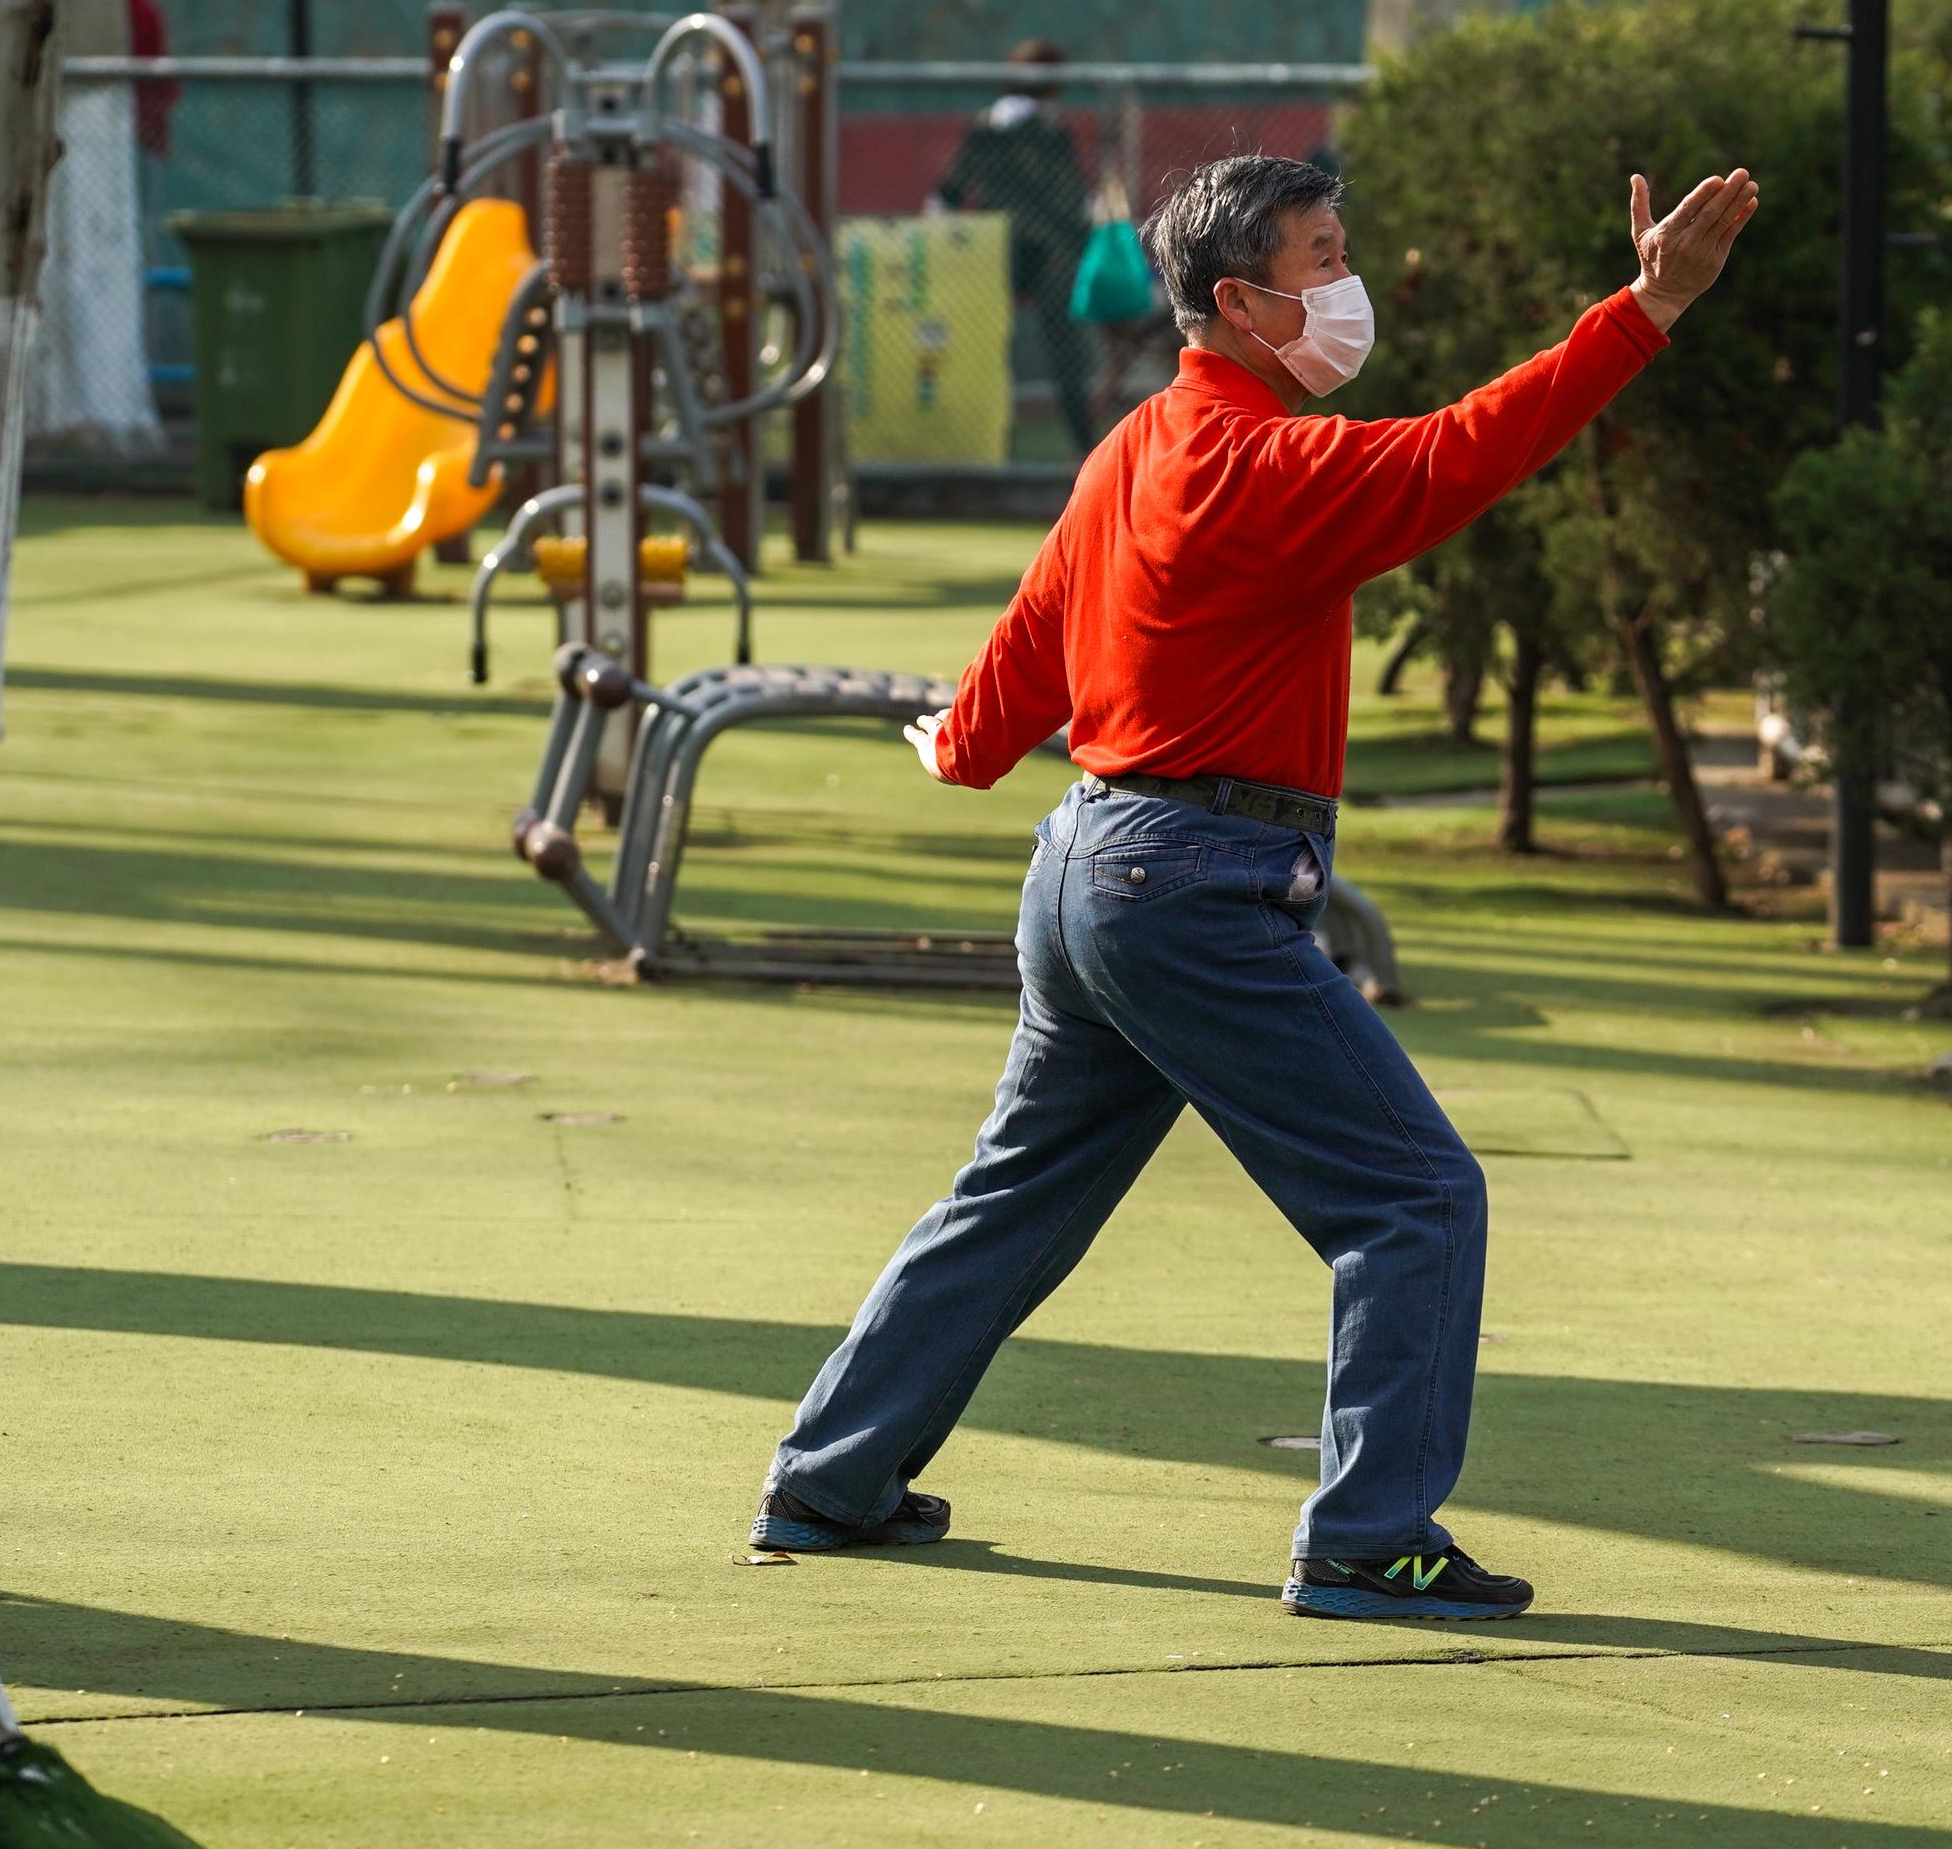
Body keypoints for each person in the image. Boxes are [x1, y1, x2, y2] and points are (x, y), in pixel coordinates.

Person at [752, 152, 1759, 1620]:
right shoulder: (1259, 464)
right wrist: (1648, 308)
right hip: (1191, 886)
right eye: (1325, 254)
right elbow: (1459, 453)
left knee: (1015, 1193)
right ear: (1241, 297)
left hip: (1092, 863)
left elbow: (1037, 634)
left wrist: (964, 749)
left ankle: (829, 1479)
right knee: (1414, 1197)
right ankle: (1370, 1537)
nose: (1347, 282)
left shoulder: (1141, 445)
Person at [936, 39, 1100, 454]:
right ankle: (1080, 444)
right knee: (1061, 350)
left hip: (1004, 249)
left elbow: (952, 188)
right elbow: (1071, 196)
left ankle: (999, 443)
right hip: (1045, 252)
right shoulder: (1041, 128)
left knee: (993, 347)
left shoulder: (992, 124)